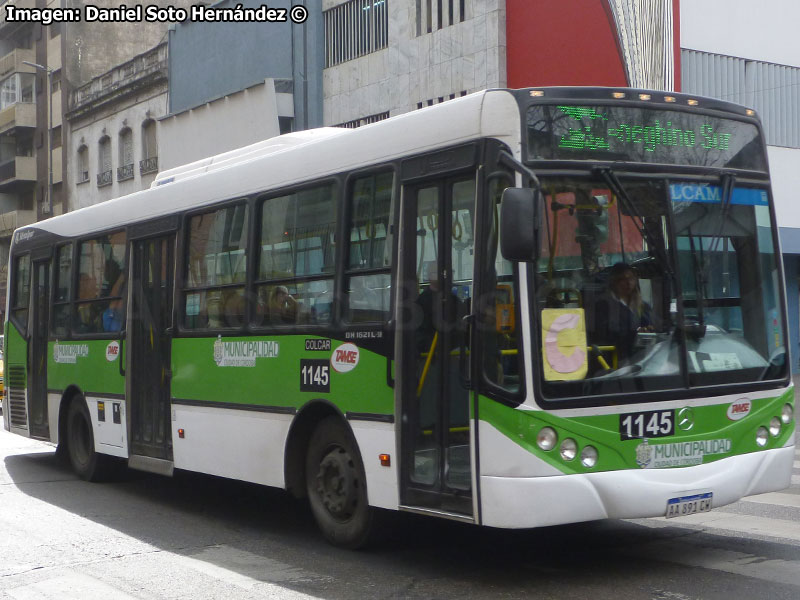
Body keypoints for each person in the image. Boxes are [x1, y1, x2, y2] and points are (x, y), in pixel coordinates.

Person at [593, 263, 652, 361]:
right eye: (623, 279)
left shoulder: (643, 305)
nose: (628, 282)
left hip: (642, 358)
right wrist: (634, 333)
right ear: (614, 282)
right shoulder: (602, 305)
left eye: (631, 278)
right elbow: (604, 335)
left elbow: (652, 324)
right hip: (616, 360)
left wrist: (649, 329)